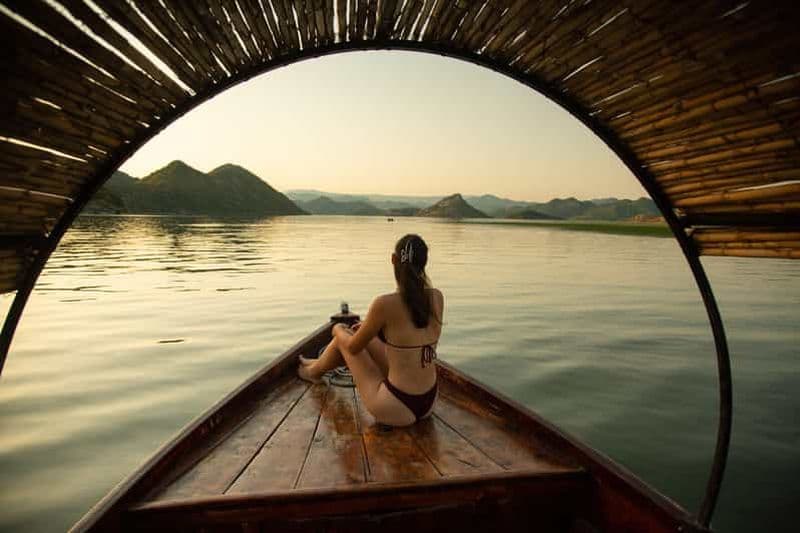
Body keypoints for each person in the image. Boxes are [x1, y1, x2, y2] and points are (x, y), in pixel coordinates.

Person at [298, 234, 444, 427]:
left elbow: (353, 348)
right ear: (425, 261)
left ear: (393, 260)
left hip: (395, 405)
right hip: (429, 401)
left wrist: (337, 329)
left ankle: (313, 372)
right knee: (356, 336)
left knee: (344, 338)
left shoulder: (384, 303)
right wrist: (370, 330)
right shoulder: (437, 297)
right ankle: (317, 365)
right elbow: (408, 334)